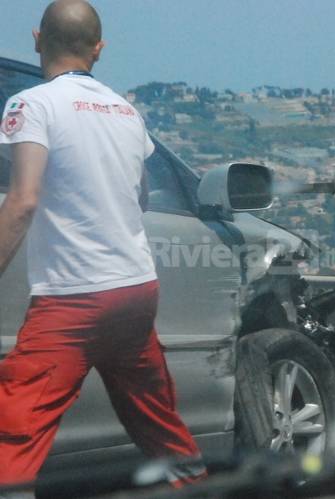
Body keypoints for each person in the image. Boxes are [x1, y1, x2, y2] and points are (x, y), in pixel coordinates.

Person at [0, 0, 206, 488]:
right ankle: (198, 486)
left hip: (74, 298)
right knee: (154, 416)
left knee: (15, 430)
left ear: (36, 39)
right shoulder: (126, 112)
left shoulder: (31, 105)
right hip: (135, 290)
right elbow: (139, 198)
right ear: (99, 49)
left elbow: (23, 200)